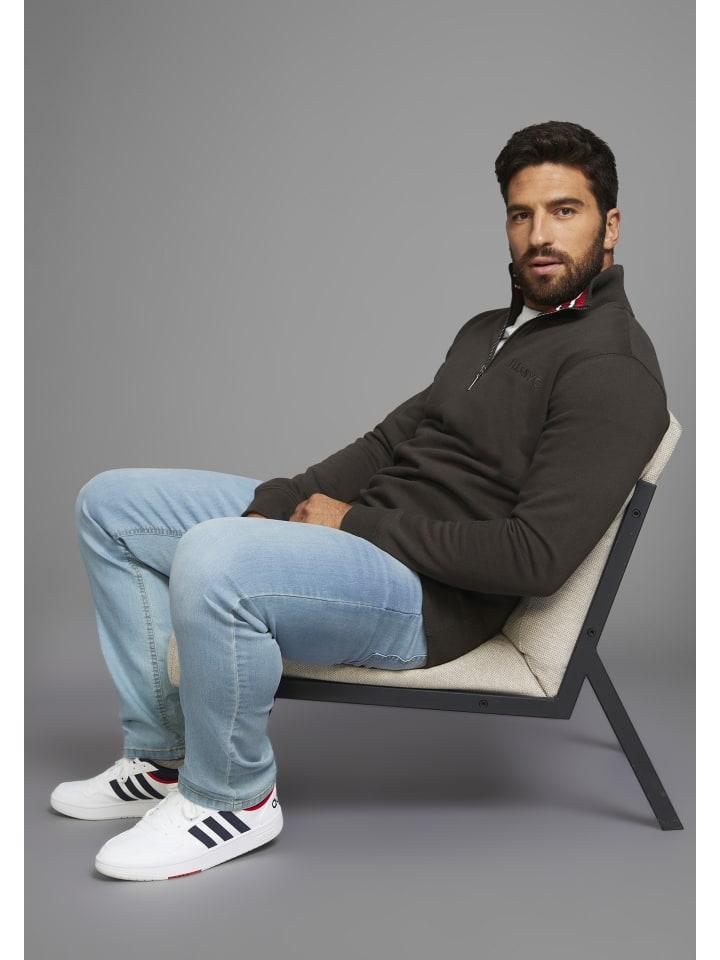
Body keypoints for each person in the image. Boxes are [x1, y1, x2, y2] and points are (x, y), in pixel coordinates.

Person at [50, 120, 671, 881]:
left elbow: (534, 558)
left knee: (216, 558)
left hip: (429, 598)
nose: (539, 235)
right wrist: (277, 503)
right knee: (112, 506)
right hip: (360, 538)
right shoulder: (490, 330)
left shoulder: (612, 369)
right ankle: (165, 759)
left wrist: (353, 522)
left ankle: (232, 798)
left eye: (564, 210)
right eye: (521, 213)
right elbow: (386, 444)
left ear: (611, 225)